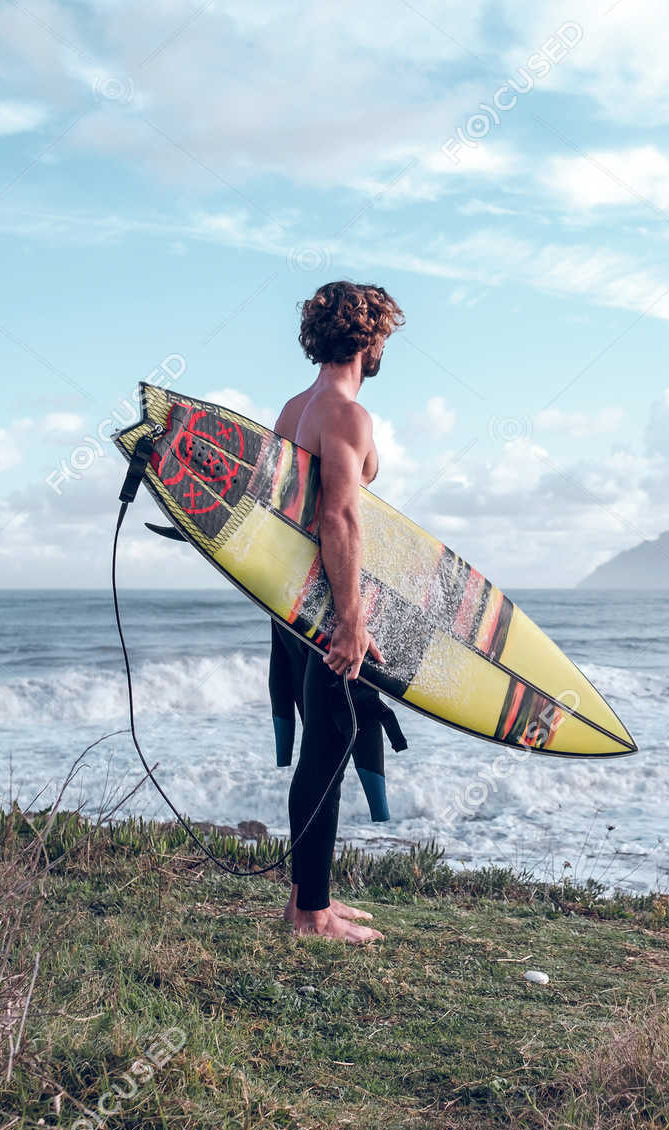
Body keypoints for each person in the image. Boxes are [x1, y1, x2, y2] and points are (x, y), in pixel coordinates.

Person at [269, 281, 405, 945]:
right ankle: (311, 913)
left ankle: (307, 899)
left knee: (325, 742)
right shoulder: (347, 416)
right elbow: (338, 516)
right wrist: (351, 621)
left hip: (289, 606)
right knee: (329, 745)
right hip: (324, 607)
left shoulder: (294, 408)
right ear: (369, 341)